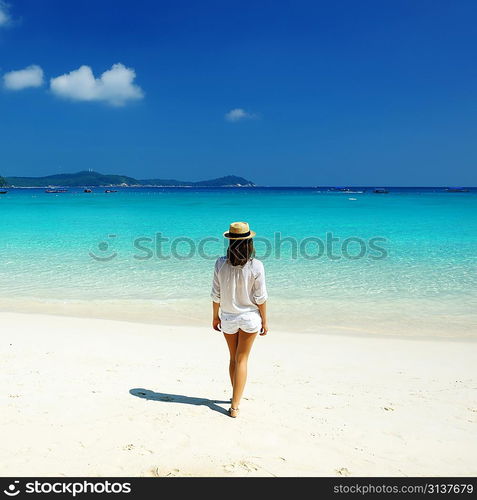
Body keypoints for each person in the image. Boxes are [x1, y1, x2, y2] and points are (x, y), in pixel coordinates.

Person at [211, 221, 268, 418]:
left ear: (230, 242)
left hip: (227, 317)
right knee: (242, 359)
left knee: (233, 358)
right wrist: (265, 321)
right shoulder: (256, 266)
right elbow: (261, 298)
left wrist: (214, 317)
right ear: (248, 243)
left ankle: (235, 396)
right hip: (250, 318)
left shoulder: (220, 263)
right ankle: (235, 406)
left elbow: (216, 294)